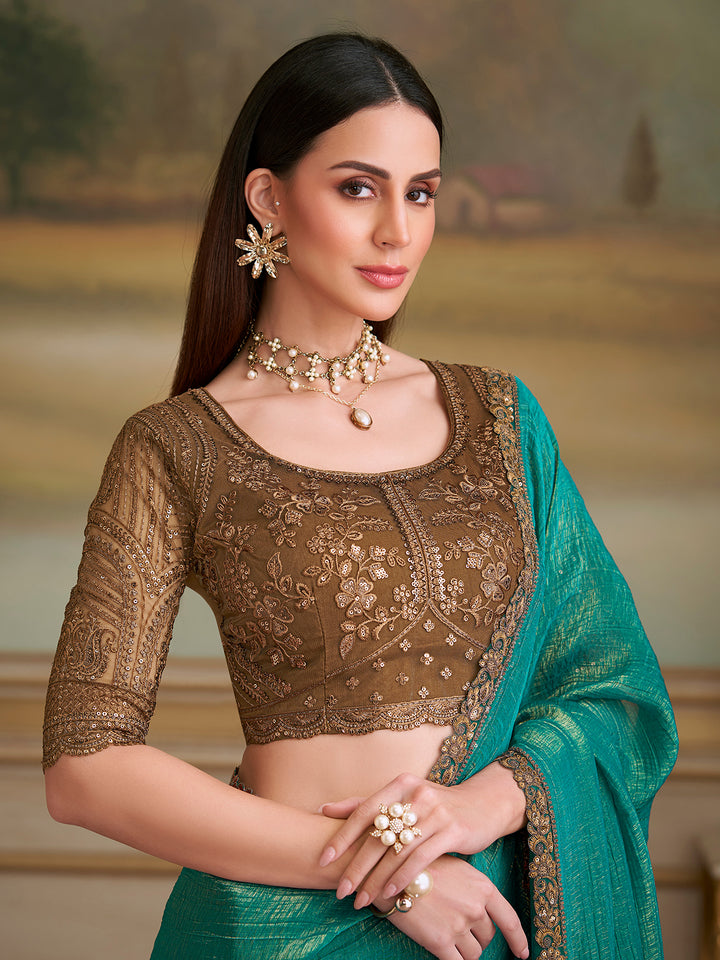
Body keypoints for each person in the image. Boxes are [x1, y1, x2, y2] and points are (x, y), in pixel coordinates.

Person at [42, 33, 678, 960]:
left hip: (490, 918)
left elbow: (614, 690)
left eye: (420, 192)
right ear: (268, 198)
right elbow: (85, 764)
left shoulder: (502, 418)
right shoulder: (175, 447)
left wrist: (470, 810)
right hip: (280, 927)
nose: (398, 232)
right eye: (357, 187)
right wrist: (394, 872)